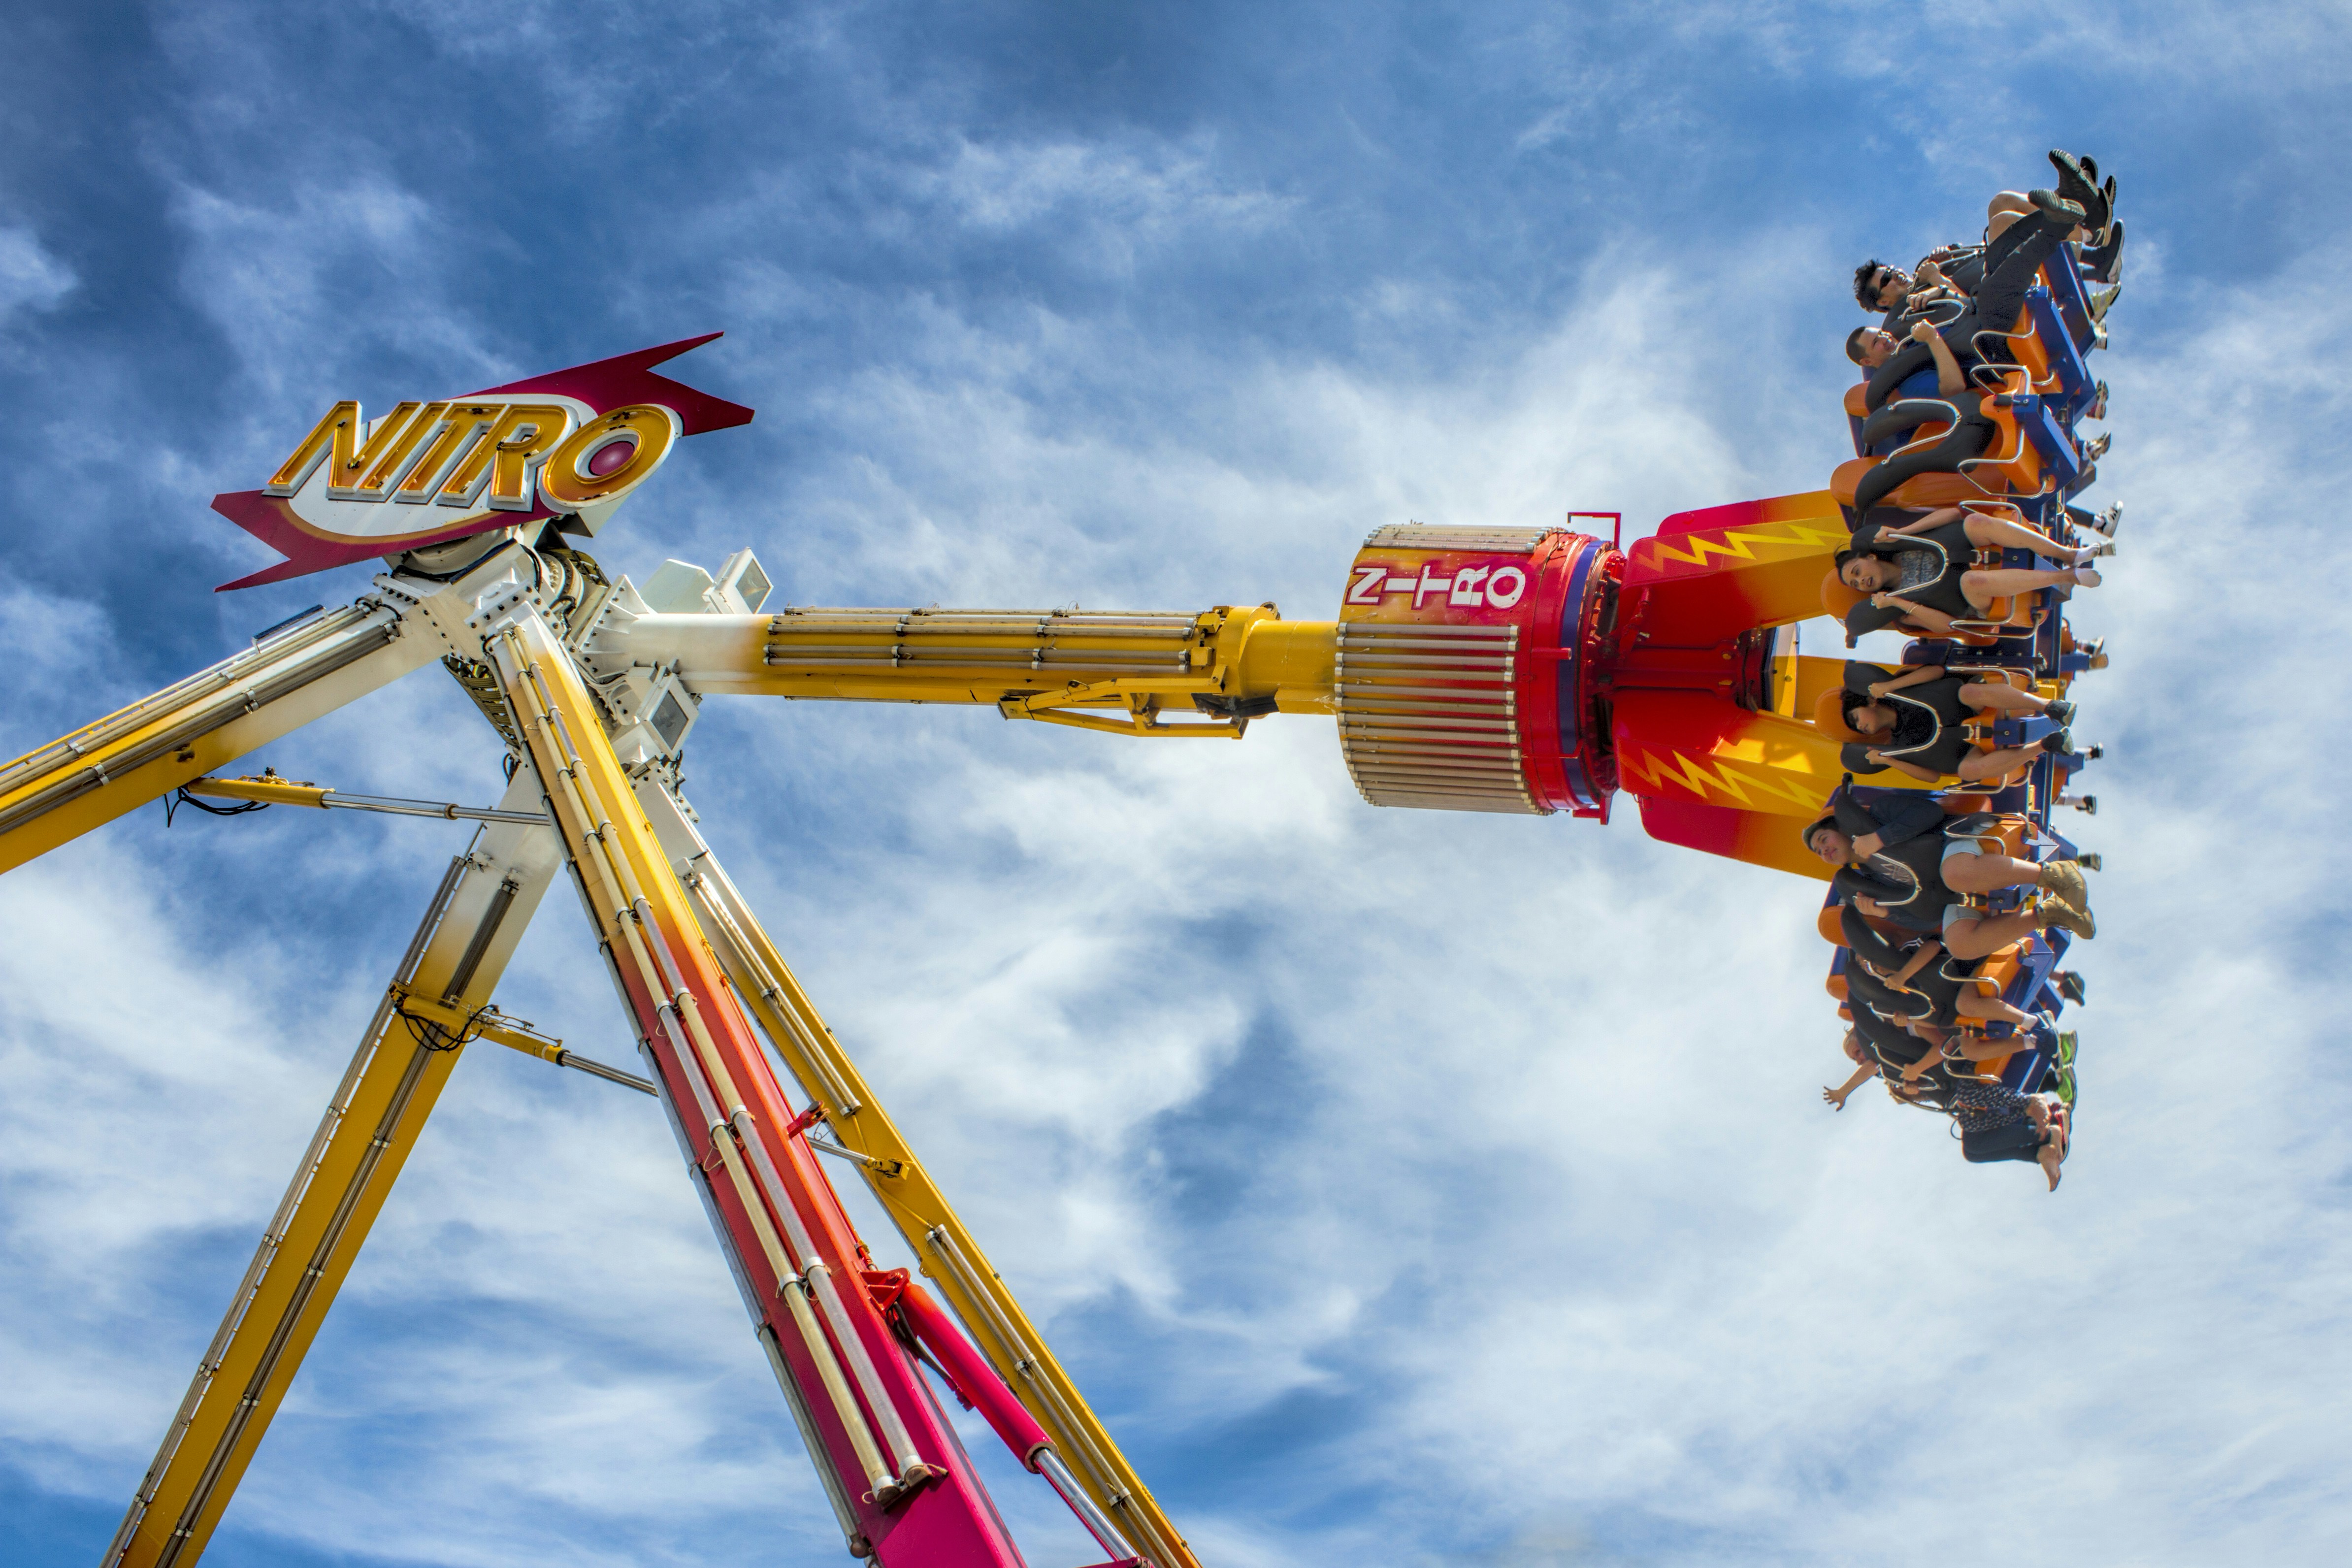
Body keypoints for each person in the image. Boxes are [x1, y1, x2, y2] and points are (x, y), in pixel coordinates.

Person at [1801, 788, 2095, 953]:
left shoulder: (1880, 813)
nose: (1824, 850)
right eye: (1818, 852)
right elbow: (1922, 918)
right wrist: (1886, 914)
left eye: (1823, 840)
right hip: (1948, 894)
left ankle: (2055, 874)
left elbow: (1929, 813)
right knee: (1960, 945)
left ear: (1839, 830)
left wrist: (1881, 838)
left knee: (1954, 872)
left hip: (1956, 841)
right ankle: (2052, 913)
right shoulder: (1867, 881)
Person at [1836, 506, 2102, 641]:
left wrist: (1898, 533)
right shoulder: (1897, 603)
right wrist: (1896, 602)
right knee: (1970, 580)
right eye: (1856, 584)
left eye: (1857, 572)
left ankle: (2069, 555)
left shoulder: (1899, 546)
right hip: (1973, 598)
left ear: (1871, 556)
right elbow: (1946, 627)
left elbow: (1952, 513)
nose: (1861, 581)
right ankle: (2069, 577)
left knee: (1974, 522)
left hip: (1970, 550)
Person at [1821, 660, 2075, 784]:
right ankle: (2047, 745)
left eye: (1856, 719)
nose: (1859, 727)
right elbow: (1932, 777)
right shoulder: (1898, 743)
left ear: (1870, 702)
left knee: (1968, 693)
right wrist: (1889, 760)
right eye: (1855, 729)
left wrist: (1889, 687)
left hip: (1966, 704)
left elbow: (1936, 672)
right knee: (1967, 772)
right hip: (1964, 748)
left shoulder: (1898, 692)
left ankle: (2051, 708)